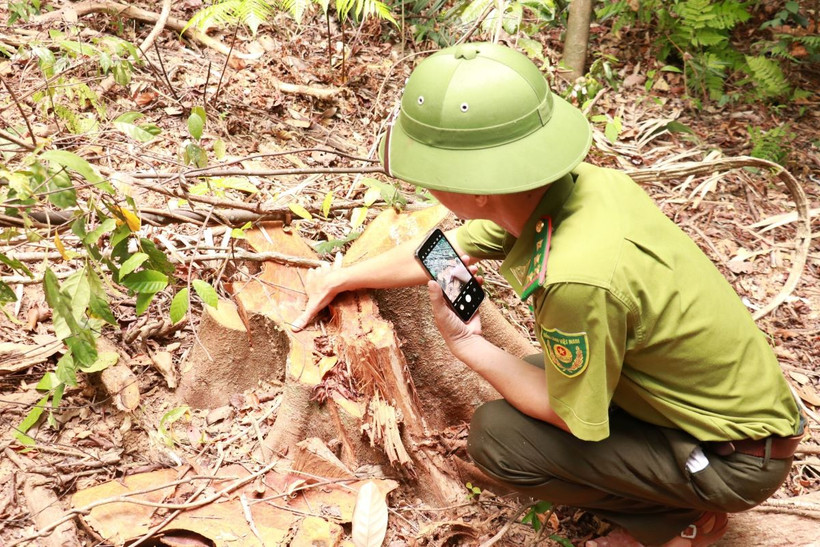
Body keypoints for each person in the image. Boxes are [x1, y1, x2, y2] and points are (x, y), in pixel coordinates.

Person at [291, 42, 804, 546]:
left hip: (735, 459)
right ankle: (673, 497)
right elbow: (444, 249)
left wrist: (469, 346)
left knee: (497, 437)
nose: (426, 185)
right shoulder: (570, 191)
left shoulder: (576, 278)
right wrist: (341, 278)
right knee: (538, 368)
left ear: (478, 187)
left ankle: (679, 518)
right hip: (718, 411)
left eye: (434, 173)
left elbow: (567, 417)